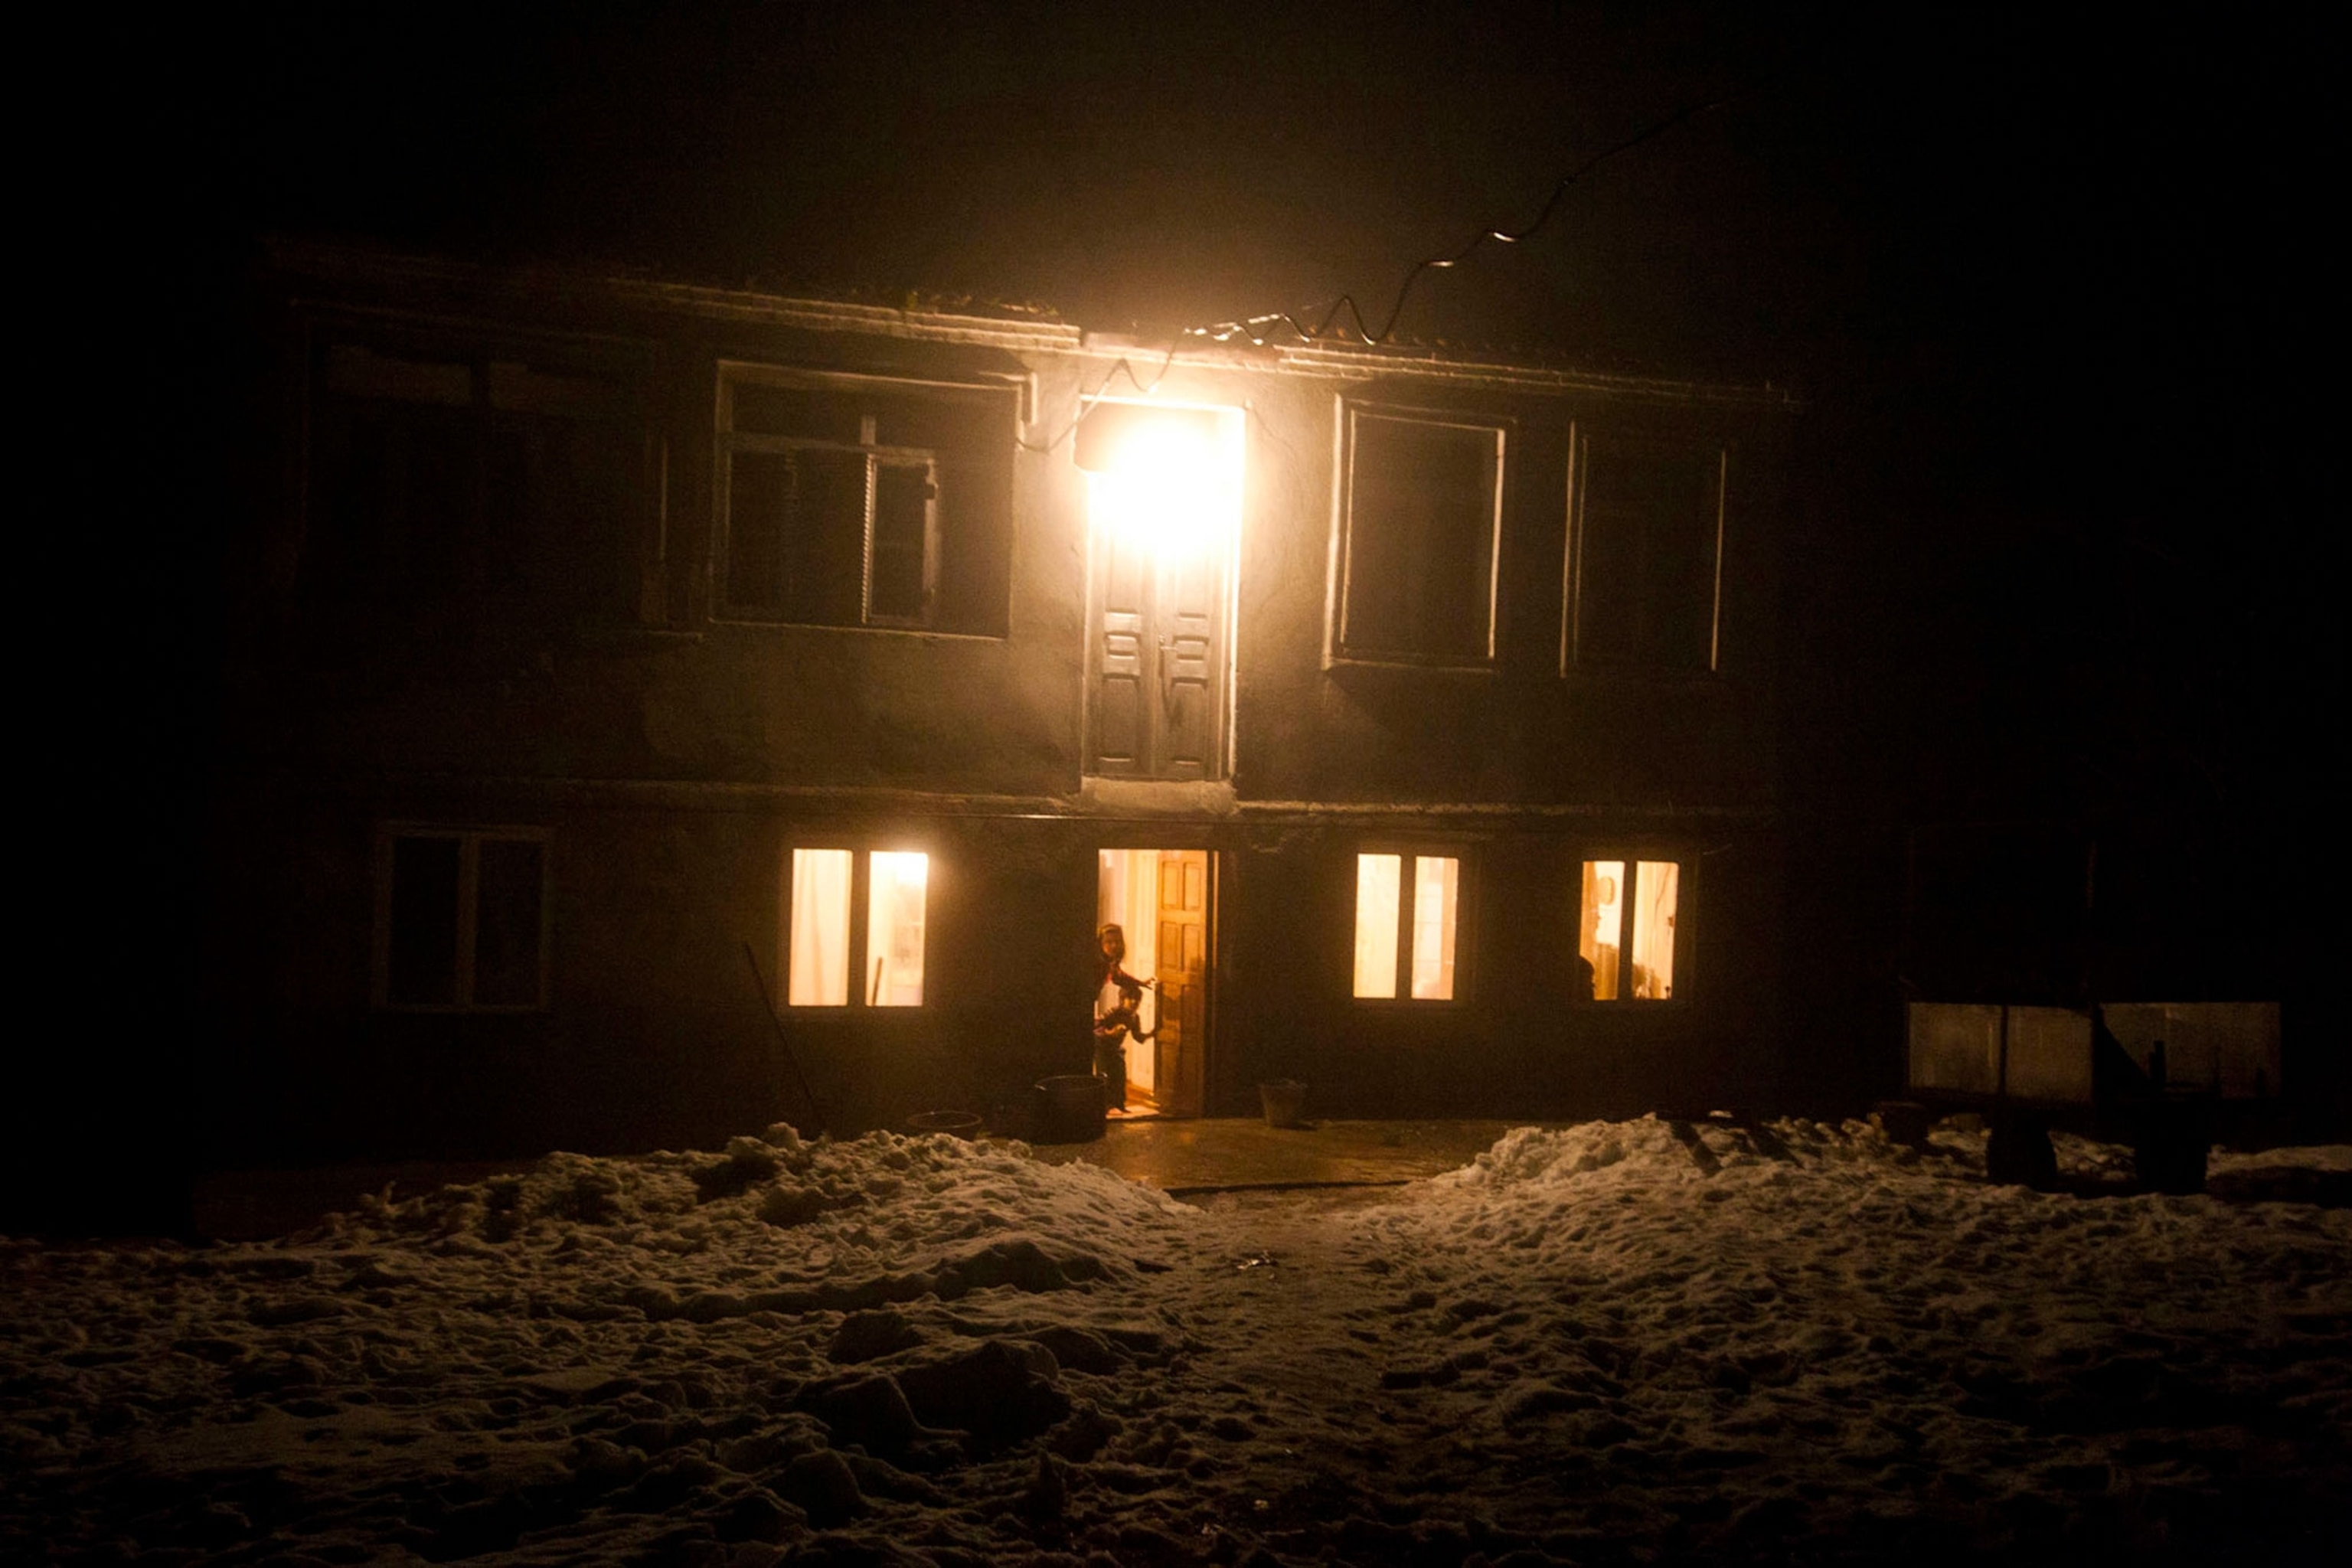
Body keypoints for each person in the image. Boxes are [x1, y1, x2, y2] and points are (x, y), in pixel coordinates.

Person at [1091, 924, 1157, 1109]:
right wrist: (1108, 1031)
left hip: (1108, 1037)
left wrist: (1141, 983)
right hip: (1086, 1009)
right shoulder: (1098, 964)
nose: (1113, 946)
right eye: (1108, 942)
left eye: (1117, 942)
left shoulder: (1110, 964)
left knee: (1117, 1072)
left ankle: (1116, 1104)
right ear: (1101, 944)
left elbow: (1120, 977)